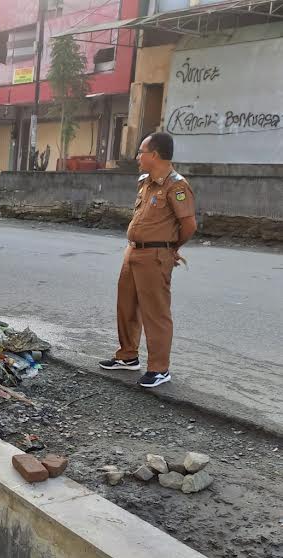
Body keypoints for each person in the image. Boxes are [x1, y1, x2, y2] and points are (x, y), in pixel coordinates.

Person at [99, 132, 197, 388]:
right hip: (133, 251)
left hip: (155, 255)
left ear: (154, 154)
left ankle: (159, 368)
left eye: (141, 152)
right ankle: (127, 355)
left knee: (156, 312)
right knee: (127, 305)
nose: (137, 157)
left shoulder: (176, 186)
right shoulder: (146, 182)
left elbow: (189, 224)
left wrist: (171, 248)